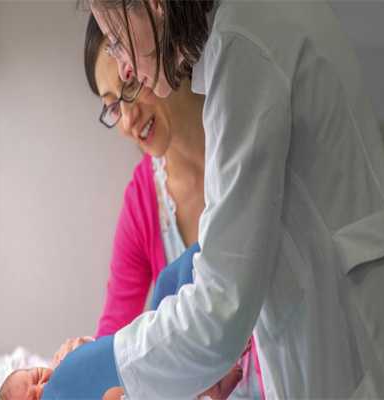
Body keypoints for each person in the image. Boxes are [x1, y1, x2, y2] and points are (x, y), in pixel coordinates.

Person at [85, 0, 384, 399]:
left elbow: (221, 312)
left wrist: (94, 369)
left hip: (361, 353)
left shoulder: (242, 41)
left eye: (117, 40)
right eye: (111, 105)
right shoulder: (250, 28)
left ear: (154, 4)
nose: (125, 69)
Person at [59, 14, 263, 398]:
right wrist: (87, 358)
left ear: (162, 52)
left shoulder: (248, 138)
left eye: (130, 85)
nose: (128, 119)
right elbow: (116, 340)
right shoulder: (143, 201)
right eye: (112, 106)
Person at [0, 247, 243, 400]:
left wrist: (84, 347)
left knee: (172, 276)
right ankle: (211, 383)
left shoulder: (68, 369)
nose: (41, 389)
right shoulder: (65, 388)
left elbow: (113, 353)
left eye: (37, 376)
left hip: (150, 372)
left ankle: (210, 382)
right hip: (161, 380)